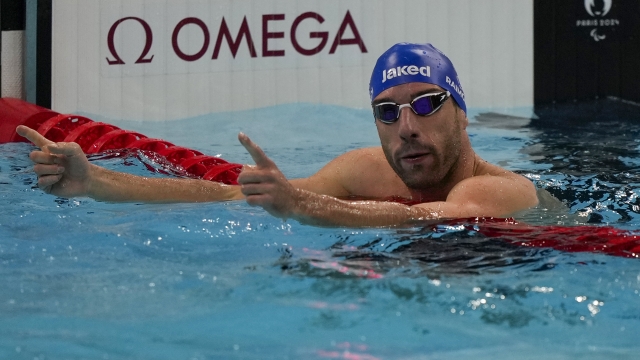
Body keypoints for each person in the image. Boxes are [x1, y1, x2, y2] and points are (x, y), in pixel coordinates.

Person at [16, 43, 538, 227]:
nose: (407, 128)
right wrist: (95, 181)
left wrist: (300, 208)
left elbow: (425, 220)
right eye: (387, 111)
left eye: (426, 104)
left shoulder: (498, 190)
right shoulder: (365, 171)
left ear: (462, 113)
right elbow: (228, 195)